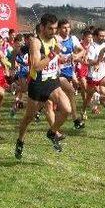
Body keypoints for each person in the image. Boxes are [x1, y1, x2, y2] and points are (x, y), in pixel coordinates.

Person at [15, 13, 72, 159]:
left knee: (66, 109)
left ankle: (52, 132)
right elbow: (37, 66)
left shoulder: (55, 38)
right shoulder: (36, 42)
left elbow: (57, 57)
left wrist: (64, 57)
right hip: (38, 83)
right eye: (50, 28)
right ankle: (20, 140)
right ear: (42, 27)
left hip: (52, 80)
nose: (54, 32)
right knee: (29, 117)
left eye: (55, 28)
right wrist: (53, 54)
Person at [56, 19, 85, 129]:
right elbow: (50, 53)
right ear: (59, 29)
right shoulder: (56, 39)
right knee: (71, 91)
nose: (67, 29)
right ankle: (75, 119)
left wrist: (77, 56)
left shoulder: (73, 39)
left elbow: (82, 50)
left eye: (68, 27)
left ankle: (38, 112)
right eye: (64, 27)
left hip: (69, 71)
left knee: (59, 100)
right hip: (58, 73)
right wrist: (59, 57)